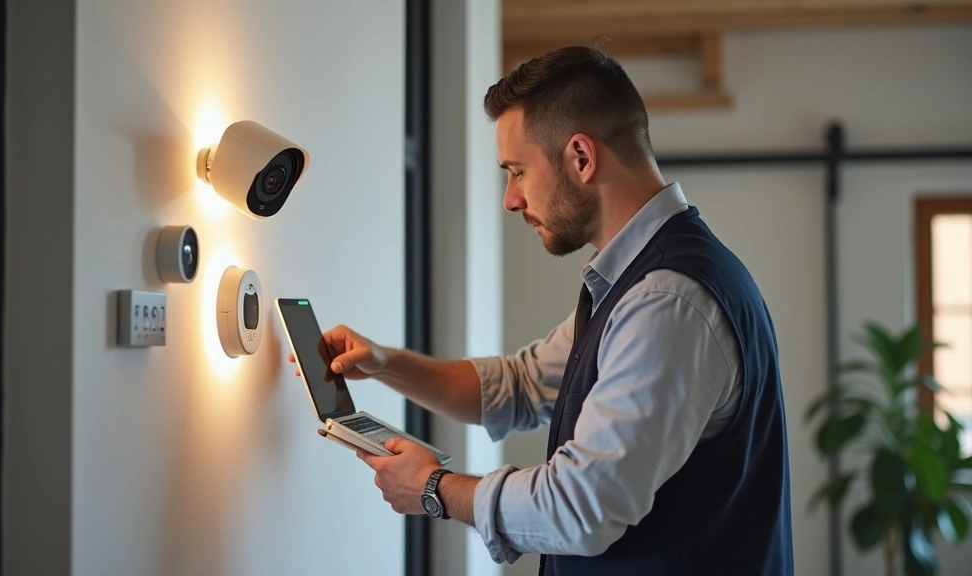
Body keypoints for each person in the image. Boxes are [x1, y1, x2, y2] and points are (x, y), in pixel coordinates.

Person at [291, 44, 794, 575]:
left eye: (517, 171)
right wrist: (385, 363)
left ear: (581, 157)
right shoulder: (641, 281)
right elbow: (518, 386)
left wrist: (434, 488)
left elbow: (582, 508)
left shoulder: (665, 302)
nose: (510, 199)